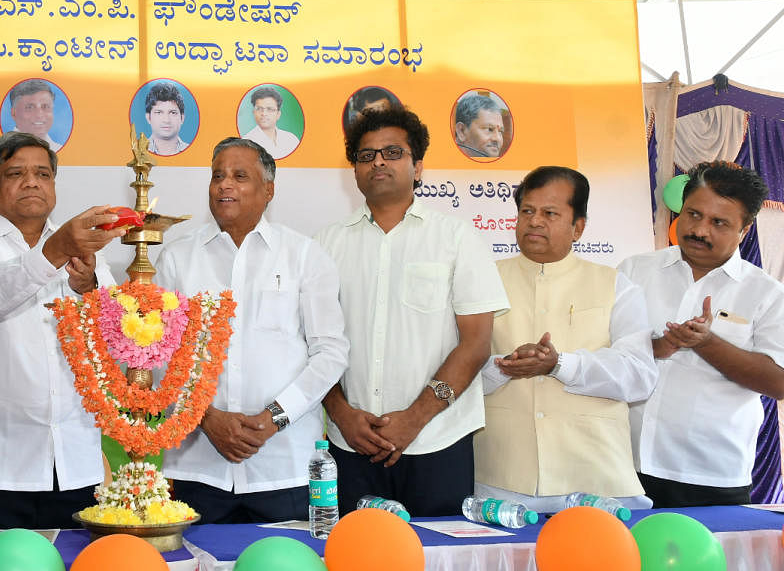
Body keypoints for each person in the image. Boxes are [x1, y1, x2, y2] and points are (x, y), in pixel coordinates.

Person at [315, 107, 508, 517]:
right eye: (366, 156)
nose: (378, 162)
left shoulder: (457, 239)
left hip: (438, 441)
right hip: (351, 445)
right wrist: (342, 414)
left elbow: (475, 345)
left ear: (418, 166)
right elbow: (311, 344)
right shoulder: (325, 246)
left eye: (392, 152)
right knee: (353, 557)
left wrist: (414, 419)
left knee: (435, 557)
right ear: (354, 171)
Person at [0, 132, 127, 532]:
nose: (32, 181)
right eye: (16, 173)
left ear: (54, 185)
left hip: (71, 462)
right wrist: (55, 249)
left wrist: (88, 286)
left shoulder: (87, 251)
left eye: (42, 173)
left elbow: (118, 340)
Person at [156, 138, 347, 523]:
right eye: (217, 176)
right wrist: (206, 418)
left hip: (285, 467)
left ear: (269, 190)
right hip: (197, 466)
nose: (224, 185)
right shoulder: (177, 257)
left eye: (239, 176)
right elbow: (159, 354)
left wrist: (274, 417)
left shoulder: (304, 255)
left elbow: (330, 354)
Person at [474, 166, 657, 512]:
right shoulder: (483, 282)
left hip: (596, 481)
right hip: (500, 484)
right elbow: (454, 371)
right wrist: (504, 367)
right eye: (527, 211)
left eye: (549, 213)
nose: (535, 221)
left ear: (579, 227)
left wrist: (560, 364)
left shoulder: (615, 285)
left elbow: (639, 376)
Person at [619, 161, 784, 507]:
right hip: (622, 465)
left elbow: (777, 381)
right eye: (693, 215)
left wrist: (706, 344)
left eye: (719, 222)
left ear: (745, 228)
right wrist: (659, 346)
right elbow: (603, 350)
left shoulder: (767, 294)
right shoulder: (635, 269)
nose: (700, 230)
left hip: (711, 475)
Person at [240, 87, 300, 159]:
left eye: (269, 109)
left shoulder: (291, 139)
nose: (264, 113)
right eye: (259, 109)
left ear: (278, 114)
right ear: (254, 112)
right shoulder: (246, 143)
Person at [8, 79, 63, 151]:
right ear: (14, 113)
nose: (39, 115)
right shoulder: (2, 151)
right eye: (30, 107)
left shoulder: (59, 149)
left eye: (45, 106)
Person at [144, 83, 190, 156]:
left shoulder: (191, 151)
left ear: (182, 118)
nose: (166, 120)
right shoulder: (138, 151)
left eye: (172, 113)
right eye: (159, 112)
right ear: (148, 117)